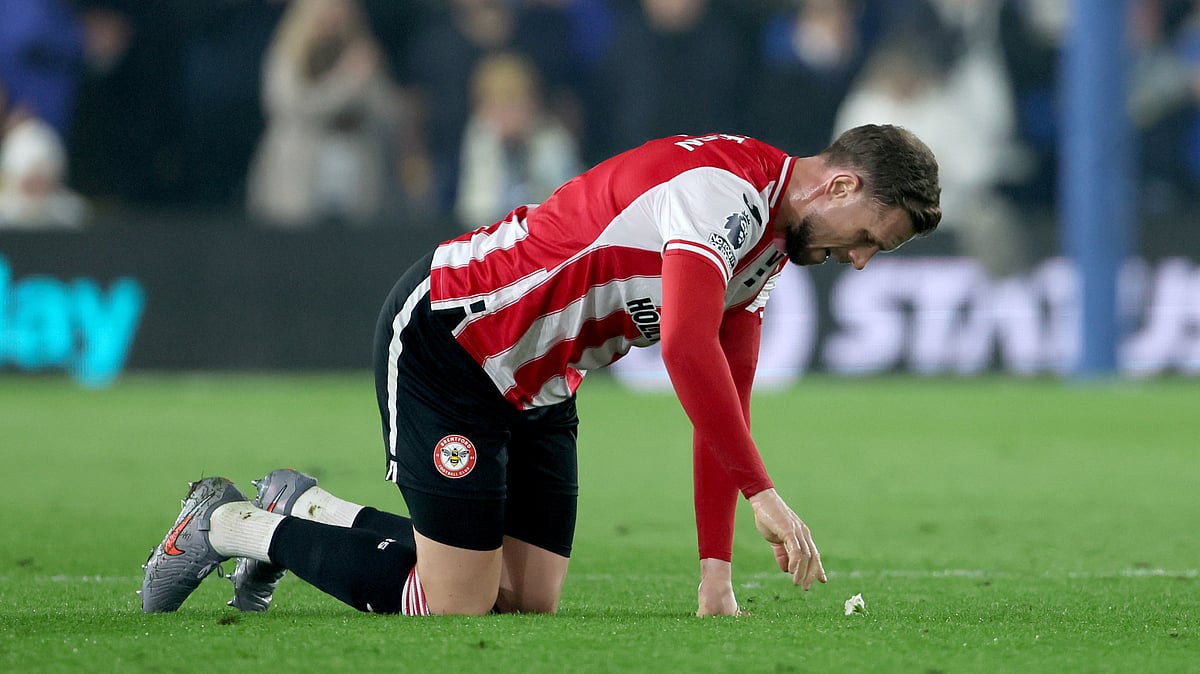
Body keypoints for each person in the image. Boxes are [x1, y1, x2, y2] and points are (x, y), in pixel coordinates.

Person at [140, 124, 942, 617]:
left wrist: (715, 575)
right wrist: (764, 496)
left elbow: (720, 403)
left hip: (540, 382)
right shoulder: (723, 194)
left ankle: (306, 503)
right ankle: (229, 524)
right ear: (840, 184)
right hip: (455, 338)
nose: (863, 262)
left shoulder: (767, 248)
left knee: (527, 600)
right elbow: (685, 347)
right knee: (452, 605)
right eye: (872, 235)